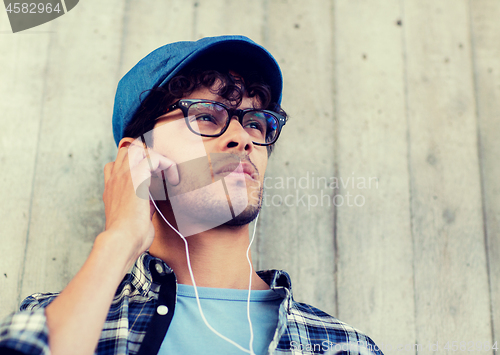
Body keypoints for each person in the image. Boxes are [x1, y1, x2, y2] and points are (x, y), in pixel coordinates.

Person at [0, 35, 383, 355]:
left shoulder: (343, 346)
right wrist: (118, 241)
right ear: (137, 154)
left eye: (255, 122)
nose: (243, 138)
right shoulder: (62, 318)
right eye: (205, 115)